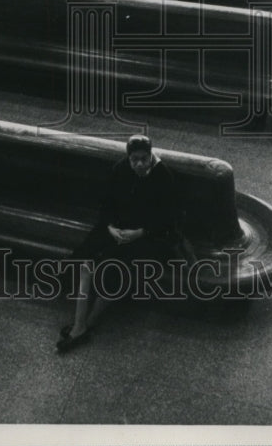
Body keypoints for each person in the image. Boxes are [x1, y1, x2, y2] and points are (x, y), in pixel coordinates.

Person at [56, 134, 183, 353]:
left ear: (151, 155)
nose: (139, 164)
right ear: (128, 157)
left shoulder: (164, 177)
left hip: (147, 236)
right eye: (135, 159)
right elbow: (107, 205)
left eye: (144, 159)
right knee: (87, 258)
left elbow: (167, 219)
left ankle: (81, 326)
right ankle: (83, 325)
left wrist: (139, 232)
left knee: (115, 269)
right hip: (117, 229)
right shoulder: (120, 169)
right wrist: (110, 228)